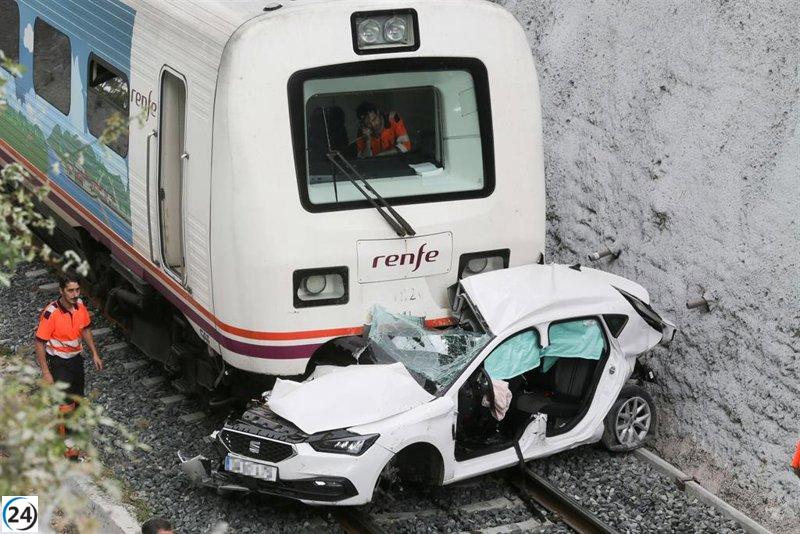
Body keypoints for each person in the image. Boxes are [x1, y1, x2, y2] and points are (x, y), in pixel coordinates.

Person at [34, 270, 103, 459]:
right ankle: (69, 453)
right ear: (61, 291)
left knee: (77, 403)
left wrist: (95, 353)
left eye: (77, 290)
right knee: (66, 407)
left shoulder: (80, 306)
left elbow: (86, 330)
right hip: (58, 363)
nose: (75, 294)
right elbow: (39, 342)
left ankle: (62, 437)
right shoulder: (51, 313)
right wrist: (46, 373)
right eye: (70, 291)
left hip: (75, 360)